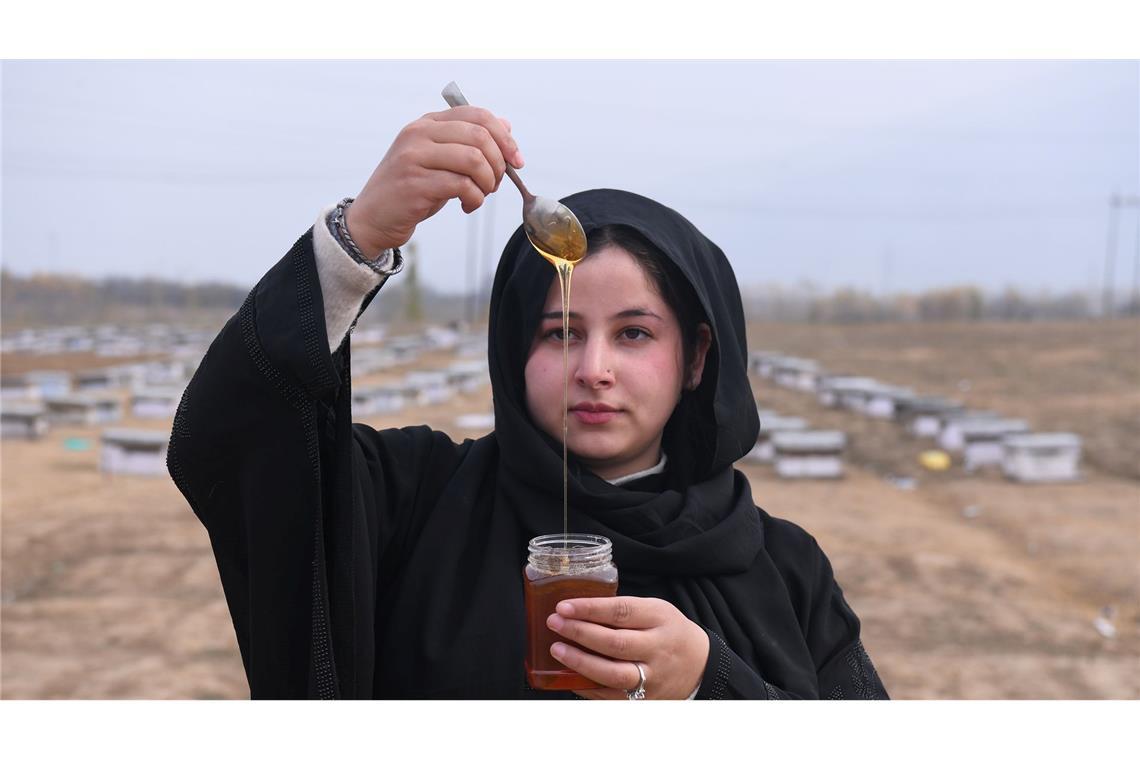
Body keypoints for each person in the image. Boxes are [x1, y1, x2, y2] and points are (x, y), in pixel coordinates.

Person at [168, 104, 888, 700]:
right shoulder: (412, 500)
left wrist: (710, 684)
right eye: (560, 333)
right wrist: (355, 242)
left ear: (697, 356)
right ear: (516, 351)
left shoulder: (784, 567)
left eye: (634, 333)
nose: (594, 370)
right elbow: (233, 447)